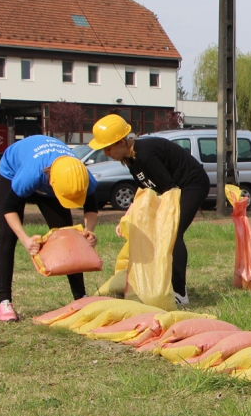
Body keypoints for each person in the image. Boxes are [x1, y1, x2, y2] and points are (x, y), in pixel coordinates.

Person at [88, 114, 210, 306]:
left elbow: (169, 189)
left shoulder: (145, 154)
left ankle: (180, 293)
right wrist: (127, 218)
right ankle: (163, 285)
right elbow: (145, 192)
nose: (105, 153)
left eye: (108, 148)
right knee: (162, 233)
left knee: (173, 235)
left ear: (121, 142)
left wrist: (163, 220)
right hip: (175, 188)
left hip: (192, 184)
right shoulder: (131, 161)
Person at [0, 135, 98, 321]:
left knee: (68, 236)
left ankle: (81, 296)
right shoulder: (29, 176)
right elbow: (8, 208)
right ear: (52, 182)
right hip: (13, 170)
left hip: (52, 174)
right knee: (7, 236)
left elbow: (91, 208)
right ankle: (4, 302)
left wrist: (88, 231)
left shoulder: (80, 175)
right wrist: (26, 240)